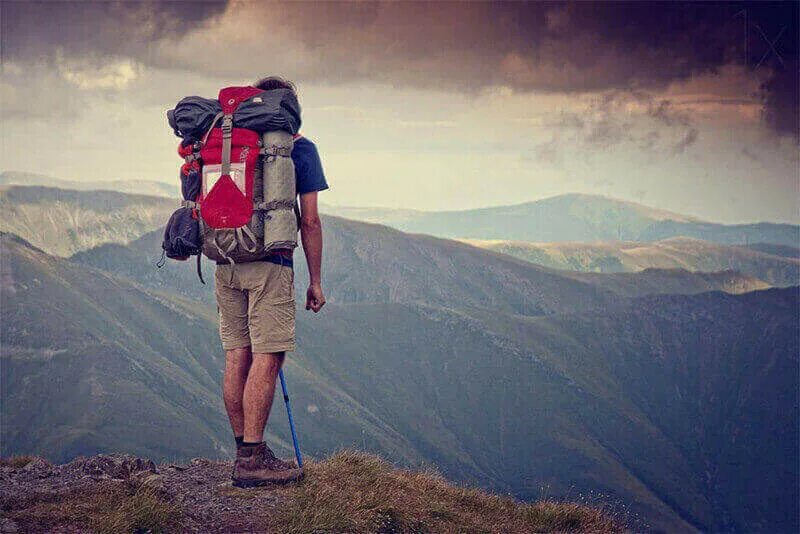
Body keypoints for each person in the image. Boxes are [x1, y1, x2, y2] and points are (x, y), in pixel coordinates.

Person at [216, 76, 327, 487]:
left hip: (226, 259)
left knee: (236, 356)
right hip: (272, 264)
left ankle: (245, 450)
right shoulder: (300, 149)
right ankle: (252, 460)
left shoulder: (229, 144)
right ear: (290, 108)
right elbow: (310, 220)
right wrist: (315, 281)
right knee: (269, 355)